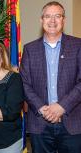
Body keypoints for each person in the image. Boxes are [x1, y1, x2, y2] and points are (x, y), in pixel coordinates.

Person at [20, 1, 81, 153]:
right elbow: (24, 83)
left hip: (72, 123)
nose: (52, 21)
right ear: (41, 20)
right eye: (48, 16)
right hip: (40, 123)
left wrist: (62, 106)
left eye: (57, 16)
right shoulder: (29, 49)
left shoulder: (78, 45)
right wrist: (41, 108)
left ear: (63, 20)